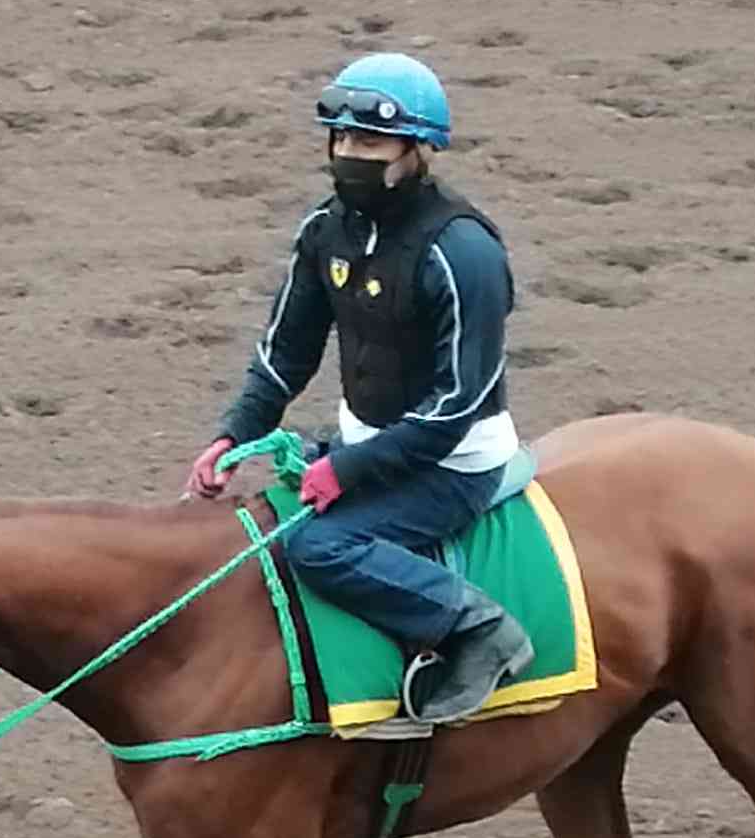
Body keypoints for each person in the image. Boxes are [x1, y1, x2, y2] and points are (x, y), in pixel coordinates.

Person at [184, 52, 532, 723]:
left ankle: (477, 628)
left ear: (417, 150)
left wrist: (346, 469)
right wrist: (235, 433)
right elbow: (287, 350)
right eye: (341, 138)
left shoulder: (464, 253)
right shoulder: (326, 230)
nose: (349, 154)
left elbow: (454, 408)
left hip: (454, 462)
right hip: (368, 441)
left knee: (319, 546)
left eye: (370, 142)